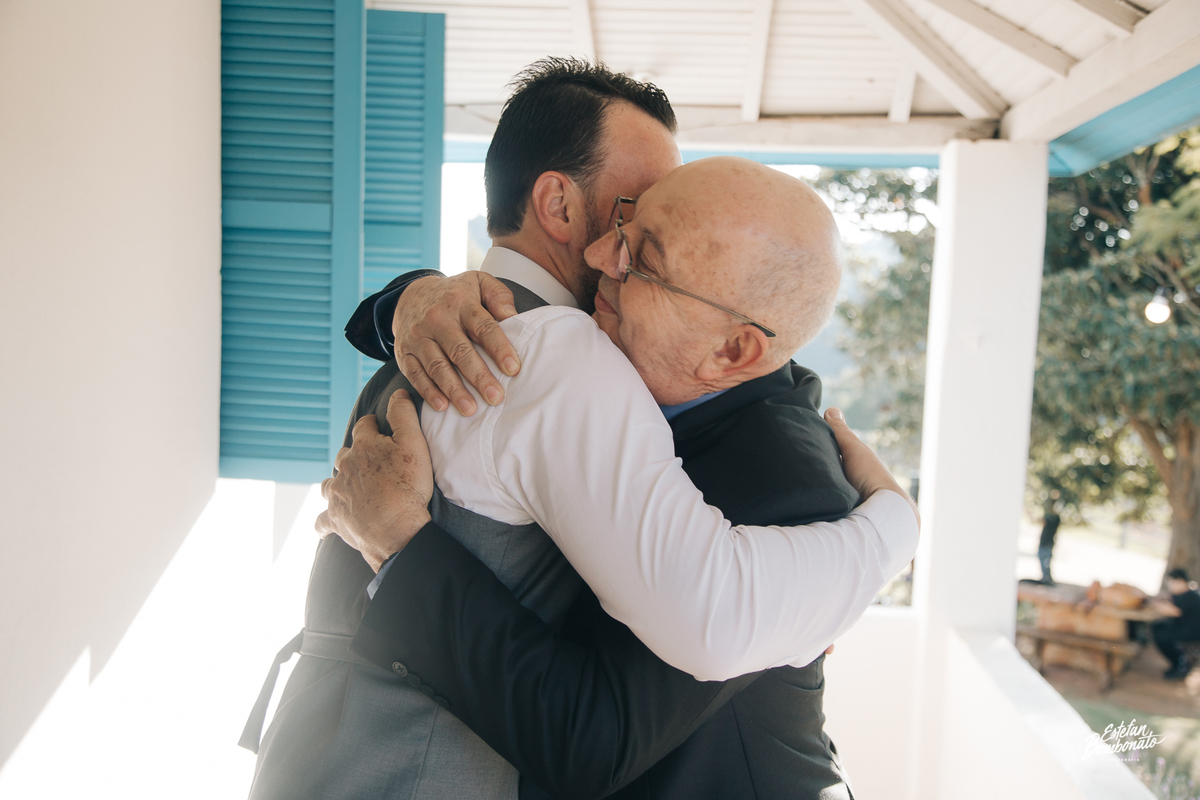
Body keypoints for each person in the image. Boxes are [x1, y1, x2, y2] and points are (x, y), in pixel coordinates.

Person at [244, 59, 918, 800]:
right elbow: (706, 621)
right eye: (631, 211)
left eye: (643, 245)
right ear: (558, 205)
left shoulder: (465, 334)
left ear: (735, 349)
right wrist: (892, 531)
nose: (608, 253)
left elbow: (686, 645)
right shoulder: (550, 348)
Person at [1150, 568, 1200, 680]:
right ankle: (1177, 662)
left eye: (1172, 583)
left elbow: (1173, 611)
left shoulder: (1190, 595)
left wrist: (1152, 603)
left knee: (1162, 636)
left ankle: (1179, 664)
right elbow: (1168, 599)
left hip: (1192, 632)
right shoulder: (1183, 594)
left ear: (1180, 581)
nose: (1170, 587)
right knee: (1157, 627)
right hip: (1184, 628)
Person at [1037, 506, 1061, 585]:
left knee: (1045, 562)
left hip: (1046, 544)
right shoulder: (1055, 519)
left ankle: (1047, 579)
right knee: (1045, 562)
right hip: (1047, 543)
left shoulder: (1053, 519)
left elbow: (1041, 520)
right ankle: (1047, 578)